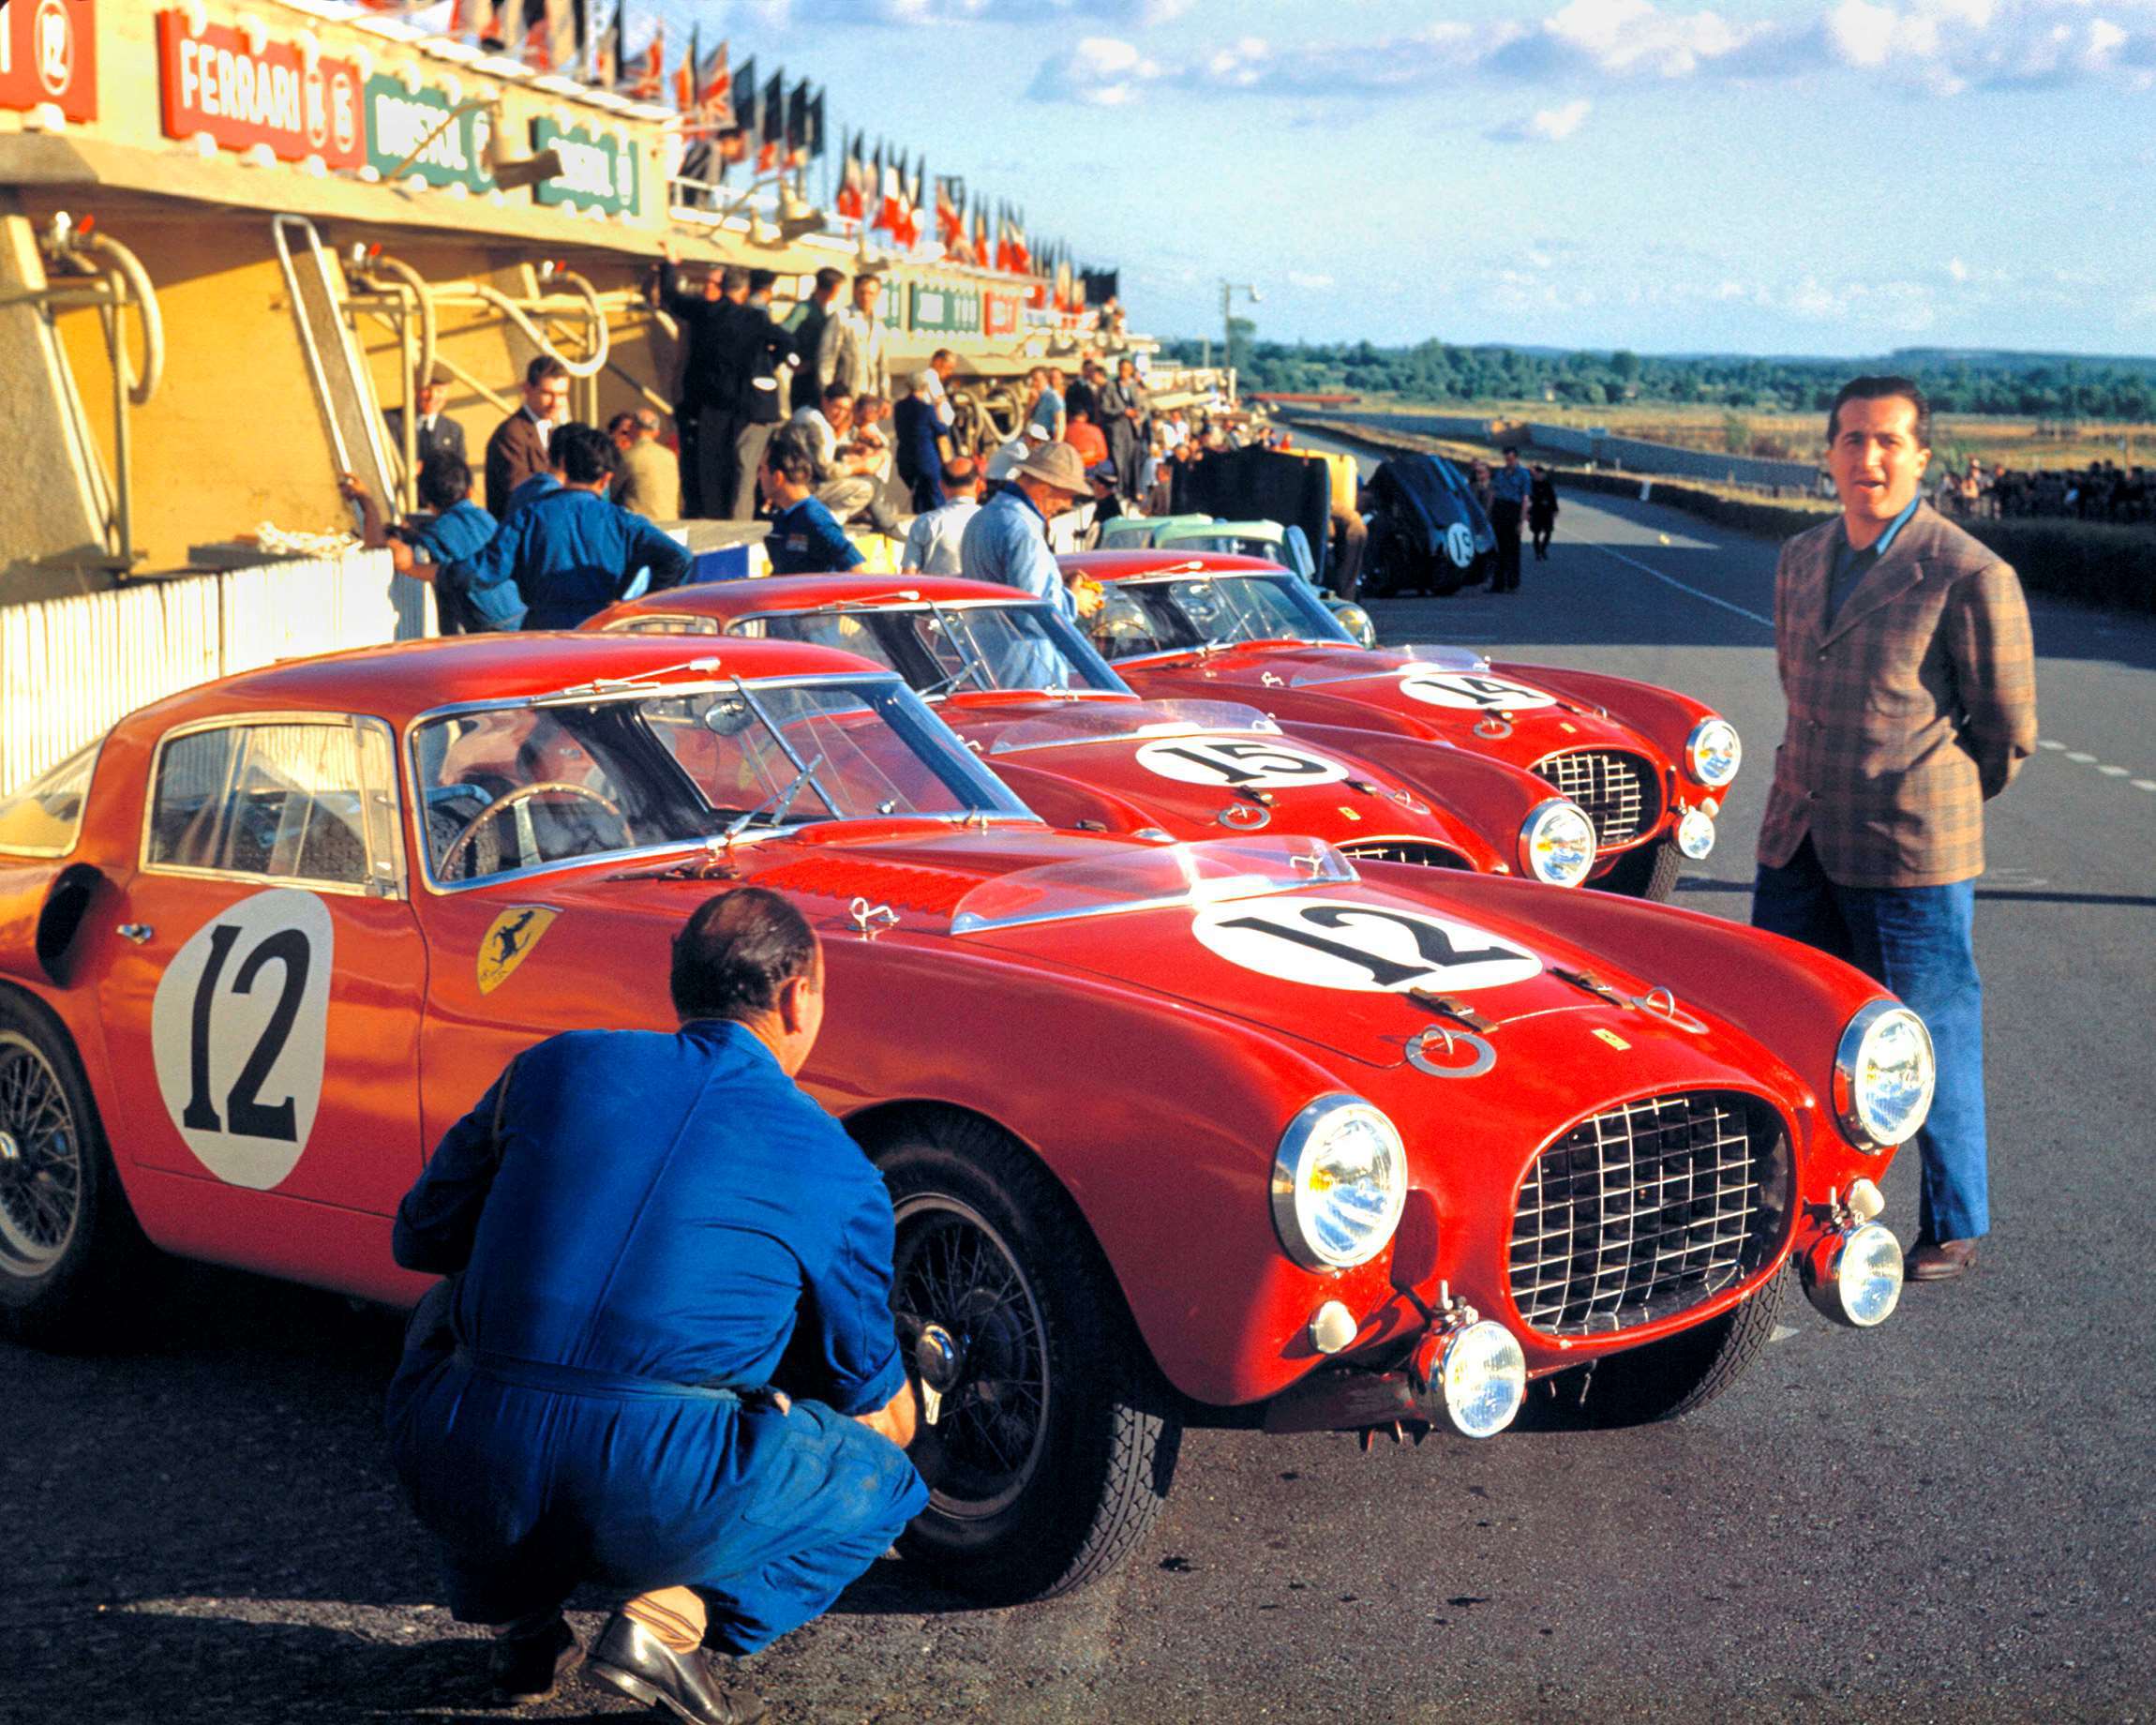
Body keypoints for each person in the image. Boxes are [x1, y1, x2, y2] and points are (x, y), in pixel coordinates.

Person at [385, 889, 926, 1722]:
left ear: (681, 983)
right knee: (885, 1473)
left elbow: (420, 1239)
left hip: (456, 1463)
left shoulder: (550, 1066)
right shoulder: (836, 1163)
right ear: (796, 997)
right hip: (656, 1494)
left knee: (454, 1315)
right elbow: (865, 1390)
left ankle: (522, 1626)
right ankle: (666, 1623)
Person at [1751, 375, 2037, 1284]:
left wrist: (1930, 799)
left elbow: (2004, 730)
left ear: (1920, 458)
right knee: (1779, 1033)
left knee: (1931, 1034)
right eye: (1850, 439)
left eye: (1886, 442)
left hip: (1909, 849)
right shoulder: (1798, 558)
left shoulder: (1965, 572)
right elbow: (1799, 686)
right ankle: (1791, 1212)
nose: (1866, 458)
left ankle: (1952, 1222)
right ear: (1826, 453)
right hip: (1798, 834)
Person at [405, 423, 691, 630]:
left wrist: (416, 568)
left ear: (564, 464)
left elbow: (482, 573)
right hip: (601, 632)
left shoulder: (529, 516)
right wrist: (639, 607)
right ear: (606, 479)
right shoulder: (623, 521)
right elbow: (679, 557)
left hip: (543, 635)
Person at [338, 454, 499, 634]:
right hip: (523, 624)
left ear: (423, 496)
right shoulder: (486, 519)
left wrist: (365, 500)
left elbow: (376, 546)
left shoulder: (435, 535)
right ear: (469, 490)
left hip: (490, 631)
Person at [960, 440, 1096, 621]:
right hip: (1020, 645)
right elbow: (1031, 611)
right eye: (1067, 496)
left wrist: (1055, 579)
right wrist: (1074, 601)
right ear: (1044, 488)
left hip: (984, 638)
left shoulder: (983, 516)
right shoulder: (1023, 529)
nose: (1067, 505)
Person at [661, 248, 747, 519]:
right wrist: (670, 267)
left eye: (713, 283)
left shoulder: (734, 317)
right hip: (694, 401)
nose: (706, 288)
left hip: (723, 406)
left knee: (717, 465)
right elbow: (671, 299)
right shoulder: (703, 311)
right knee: (693, 462)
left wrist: (671, 265)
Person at [720, 269, 796, 521]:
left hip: (750, 402)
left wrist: (765, 364)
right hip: (757, 402)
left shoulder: (745, 314)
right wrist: (769, 364)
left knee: (746, 464)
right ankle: (741, 519)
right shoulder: (756, 313)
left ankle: (741, 518)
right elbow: (786, 340)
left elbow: (783, 340)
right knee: (747, 464)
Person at [760, 428, 867, 575]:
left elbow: (854, 567)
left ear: (778, 477)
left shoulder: (814, 517)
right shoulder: (784, 516)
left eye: (762, 470)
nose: (759, 477)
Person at [484, 356, 569, 519]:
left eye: (561, 395)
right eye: (547, 394)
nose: (555, 403)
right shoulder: (511, 433)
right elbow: (521, 493)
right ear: (527, 389)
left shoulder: (552, 431)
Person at [893, 352, 957, 514]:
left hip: (906, 459)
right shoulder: (926, 409)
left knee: (919, 500)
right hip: (927, 460)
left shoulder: (899, 407)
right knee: (937, 501)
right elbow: (941, 429)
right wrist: (938, 407)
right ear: (924, 387)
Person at [900, 457, 983, 576]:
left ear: (942, 486)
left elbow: (908, 575)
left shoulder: (925, 523)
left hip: (937, 593)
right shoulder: (994, 522)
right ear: (980, 484)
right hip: (986, 593)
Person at [385, 363, 467, 471]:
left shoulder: (454, 430)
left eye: (440, 391)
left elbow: (461, 474)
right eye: (427, 389)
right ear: (415, 388)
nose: (432, 397)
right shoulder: (390, 422)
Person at [608, 410, 682, 522]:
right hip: (671, 523)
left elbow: (611, 493)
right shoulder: (670, 457)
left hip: (638, 527)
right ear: (656, 432)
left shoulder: (627, 457)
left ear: (633, 429)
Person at [828, 273, 890, 402]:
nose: (866, 297)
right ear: (855, 292)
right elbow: (827, 358)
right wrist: (826, 393)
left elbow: (883, 365)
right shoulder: (842, 318)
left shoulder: (879, 324)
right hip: (844, 394)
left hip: (870, 396)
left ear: (877, 295)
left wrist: (885, 397)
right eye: (862, 292)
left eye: (871, 293)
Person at [1100, 359, 1149, 503]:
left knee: (1133, 462)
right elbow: (1105, 408)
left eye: (1127, 369)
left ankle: (1132, 493)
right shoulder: (1110, 386)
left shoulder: (1134, 386)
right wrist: (1123, 412)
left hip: (1133, 430)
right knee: (1119, 462)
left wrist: (1139, 417)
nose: (1124, 372)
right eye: (1122, 369)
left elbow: (1145, 407)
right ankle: (1119, 493)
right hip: (1118, 429)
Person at [1487, 445, 1531, 592]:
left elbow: (1525, 499)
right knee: (1498, 548)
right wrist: (1488, 513)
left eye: (1511, 459)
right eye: (1506, 459)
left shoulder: (1523, 474)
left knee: (1512, 548)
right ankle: (1497, 583)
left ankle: (1512, 582)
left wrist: (1521, 521)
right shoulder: (1500, 473)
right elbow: (1493, 493)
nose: (1508, 462)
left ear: (1516, 458)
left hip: (1513, 509)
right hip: (1499, 509)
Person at [1527, 463, 1559, 561]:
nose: (1539, 476)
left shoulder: (1547, 484)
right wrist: (1528, 512)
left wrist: (1555, 509)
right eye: (1536, 474)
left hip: (1547, 512)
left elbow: (1553, 497)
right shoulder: (1531, 484)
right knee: (1536, 533)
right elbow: (1529, 498)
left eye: (1540, 474)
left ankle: (1543, 549)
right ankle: (1537, 553)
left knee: (1548, 533)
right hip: (1536, 511)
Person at [1063, 403, 1108, 470]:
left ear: (1068, 416)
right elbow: (1103, 454)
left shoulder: (1064, 430)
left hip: (1071, 467)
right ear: (1085, 416)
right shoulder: (1095, 430)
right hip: (1092, 467)